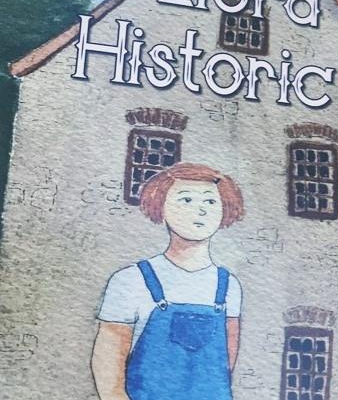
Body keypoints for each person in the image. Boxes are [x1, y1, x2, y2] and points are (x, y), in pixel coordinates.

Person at [91, 162, 245, 400]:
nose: (201, 210)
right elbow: (108, 368)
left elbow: (225, 367)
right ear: (160, 207)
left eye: (210, 201)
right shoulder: (131, 280)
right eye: (186, 200)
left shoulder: (229, 286)